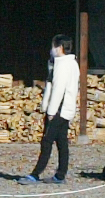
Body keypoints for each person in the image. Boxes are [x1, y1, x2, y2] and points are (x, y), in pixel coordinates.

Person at [23, 36, 81, 184]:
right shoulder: (71, 63)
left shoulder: (63, 66)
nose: (51, 50)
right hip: (66, 109)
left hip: (59, 110)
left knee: (47, 140)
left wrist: (51, 111)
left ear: (59, 47)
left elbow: (58, 89)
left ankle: (36, 174)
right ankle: (60, 175)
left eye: (53, 47)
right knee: (62, 141)